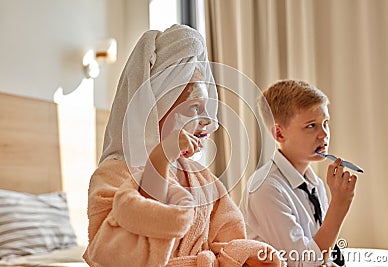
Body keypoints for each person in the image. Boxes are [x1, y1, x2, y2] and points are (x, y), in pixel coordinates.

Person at [83, 24, 285, 267]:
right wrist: (159, 160)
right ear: (156, 107)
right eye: (194, 108)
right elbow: (111, 254)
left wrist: (246, 257)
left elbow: (226, 242)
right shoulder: (112, 174)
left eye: (205, 109)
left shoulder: (203, 178)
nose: (207, 123)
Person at [240, 80, 358, 267]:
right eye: (311, 126)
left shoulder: (315, 183)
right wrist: (339, 205)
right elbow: (302, 262)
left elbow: (320, 251)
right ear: (279, 134)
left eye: (325, 123)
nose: (324, 134)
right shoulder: (265, 188)